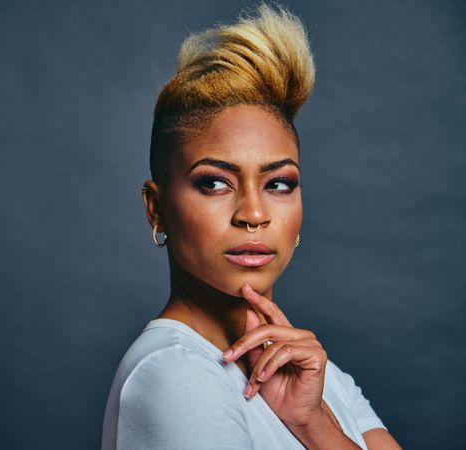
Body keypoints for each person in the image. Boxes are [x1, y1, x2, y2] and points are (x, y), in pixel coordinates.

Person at [101, 4, 403, 450]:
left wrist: (314, 425)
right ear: (157, 208)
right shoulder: (174, 375)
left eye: (278, 183)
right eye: (214, 183)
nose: (254, 213)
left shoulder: (319, 378)